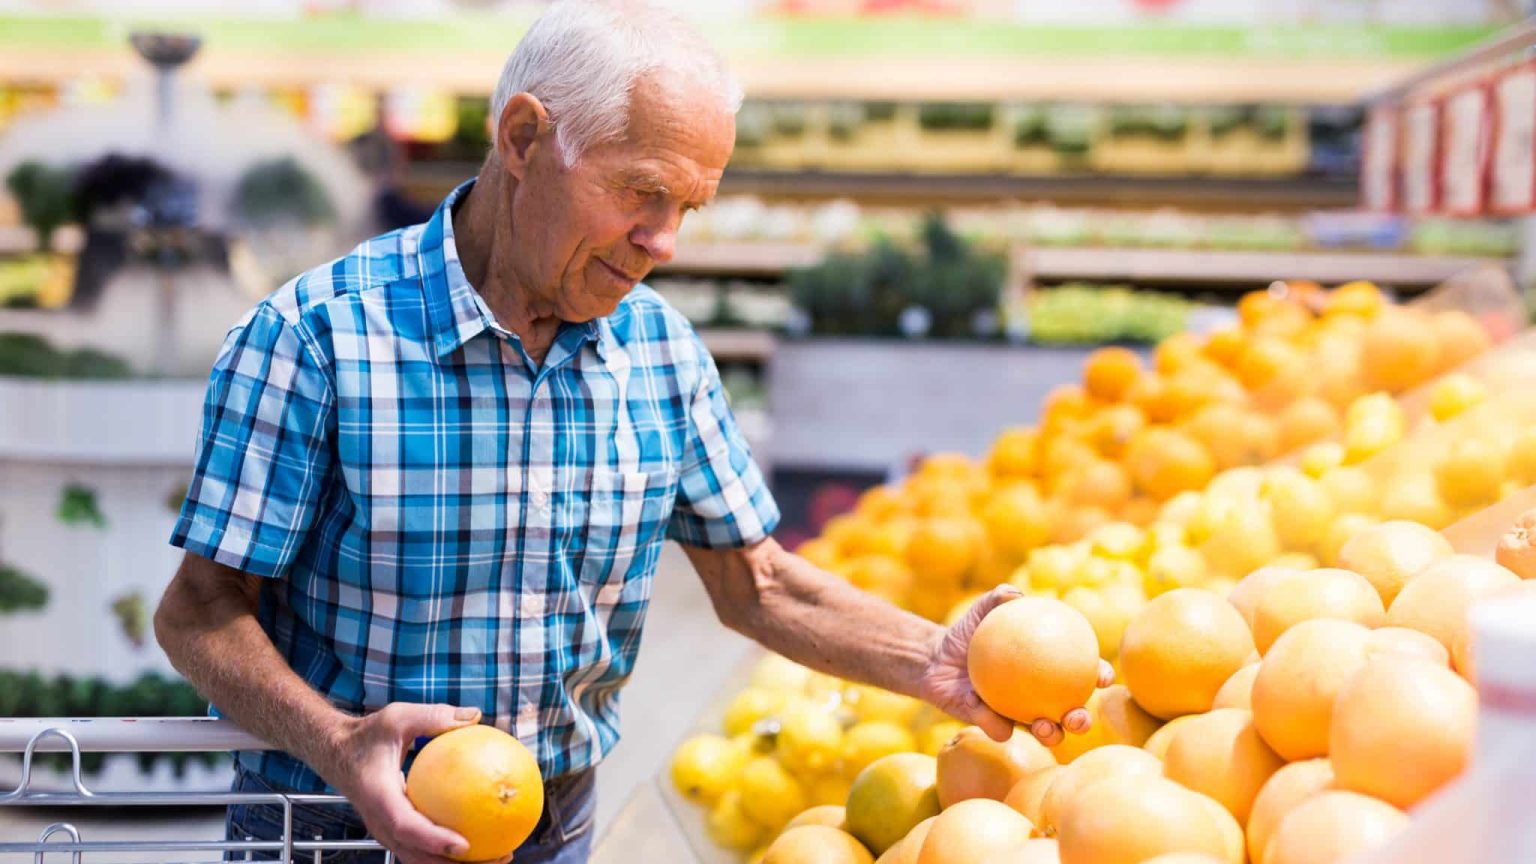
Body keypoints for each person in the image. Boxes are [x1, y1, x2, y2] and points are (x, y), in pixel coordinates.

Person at [153, 3, 1105, 863]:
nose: (666, 241)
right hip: (334, 831)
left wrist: (936, 660)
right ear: (524, 137)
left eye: (689, 206)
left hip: (553, 826)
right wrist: (337, 741)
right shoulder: (316, 337)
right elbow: (197, 612)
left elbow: (761, 585)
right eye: (642, 191)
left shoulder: (661, 355)